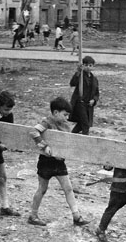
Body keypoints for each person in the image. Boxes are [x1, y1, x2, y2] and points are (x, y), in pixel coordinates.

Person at [27, 97, 89, 227]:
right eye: (65, 115)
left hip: (59, 162)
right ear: (55, 113)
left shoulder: (66, 125)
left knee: (68, 188)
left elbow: (67, 143)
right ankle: (33, 215)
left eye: (68, 115)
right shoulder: (47, 122)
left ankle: (76, 216)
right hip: (46, 161)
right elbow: (33, 131)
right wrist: (45, 146)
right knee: (42, 189)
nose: (67, 118)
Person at [69, 56, 99, 135]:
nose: (88, 67)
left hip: (88, 105)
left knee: (81, 123)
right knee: (86, 124)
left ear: (93, 67)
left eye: (90, 65)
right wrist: (78, 72)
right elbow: (72, 83)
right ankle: (86, 138)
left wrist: (94, 100)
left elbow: (96, 93)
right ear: (83, 66)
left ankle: (72, 135)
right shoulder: (81, 75)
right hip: (80, 103)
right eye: (86, 65)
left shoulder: (94, 79)